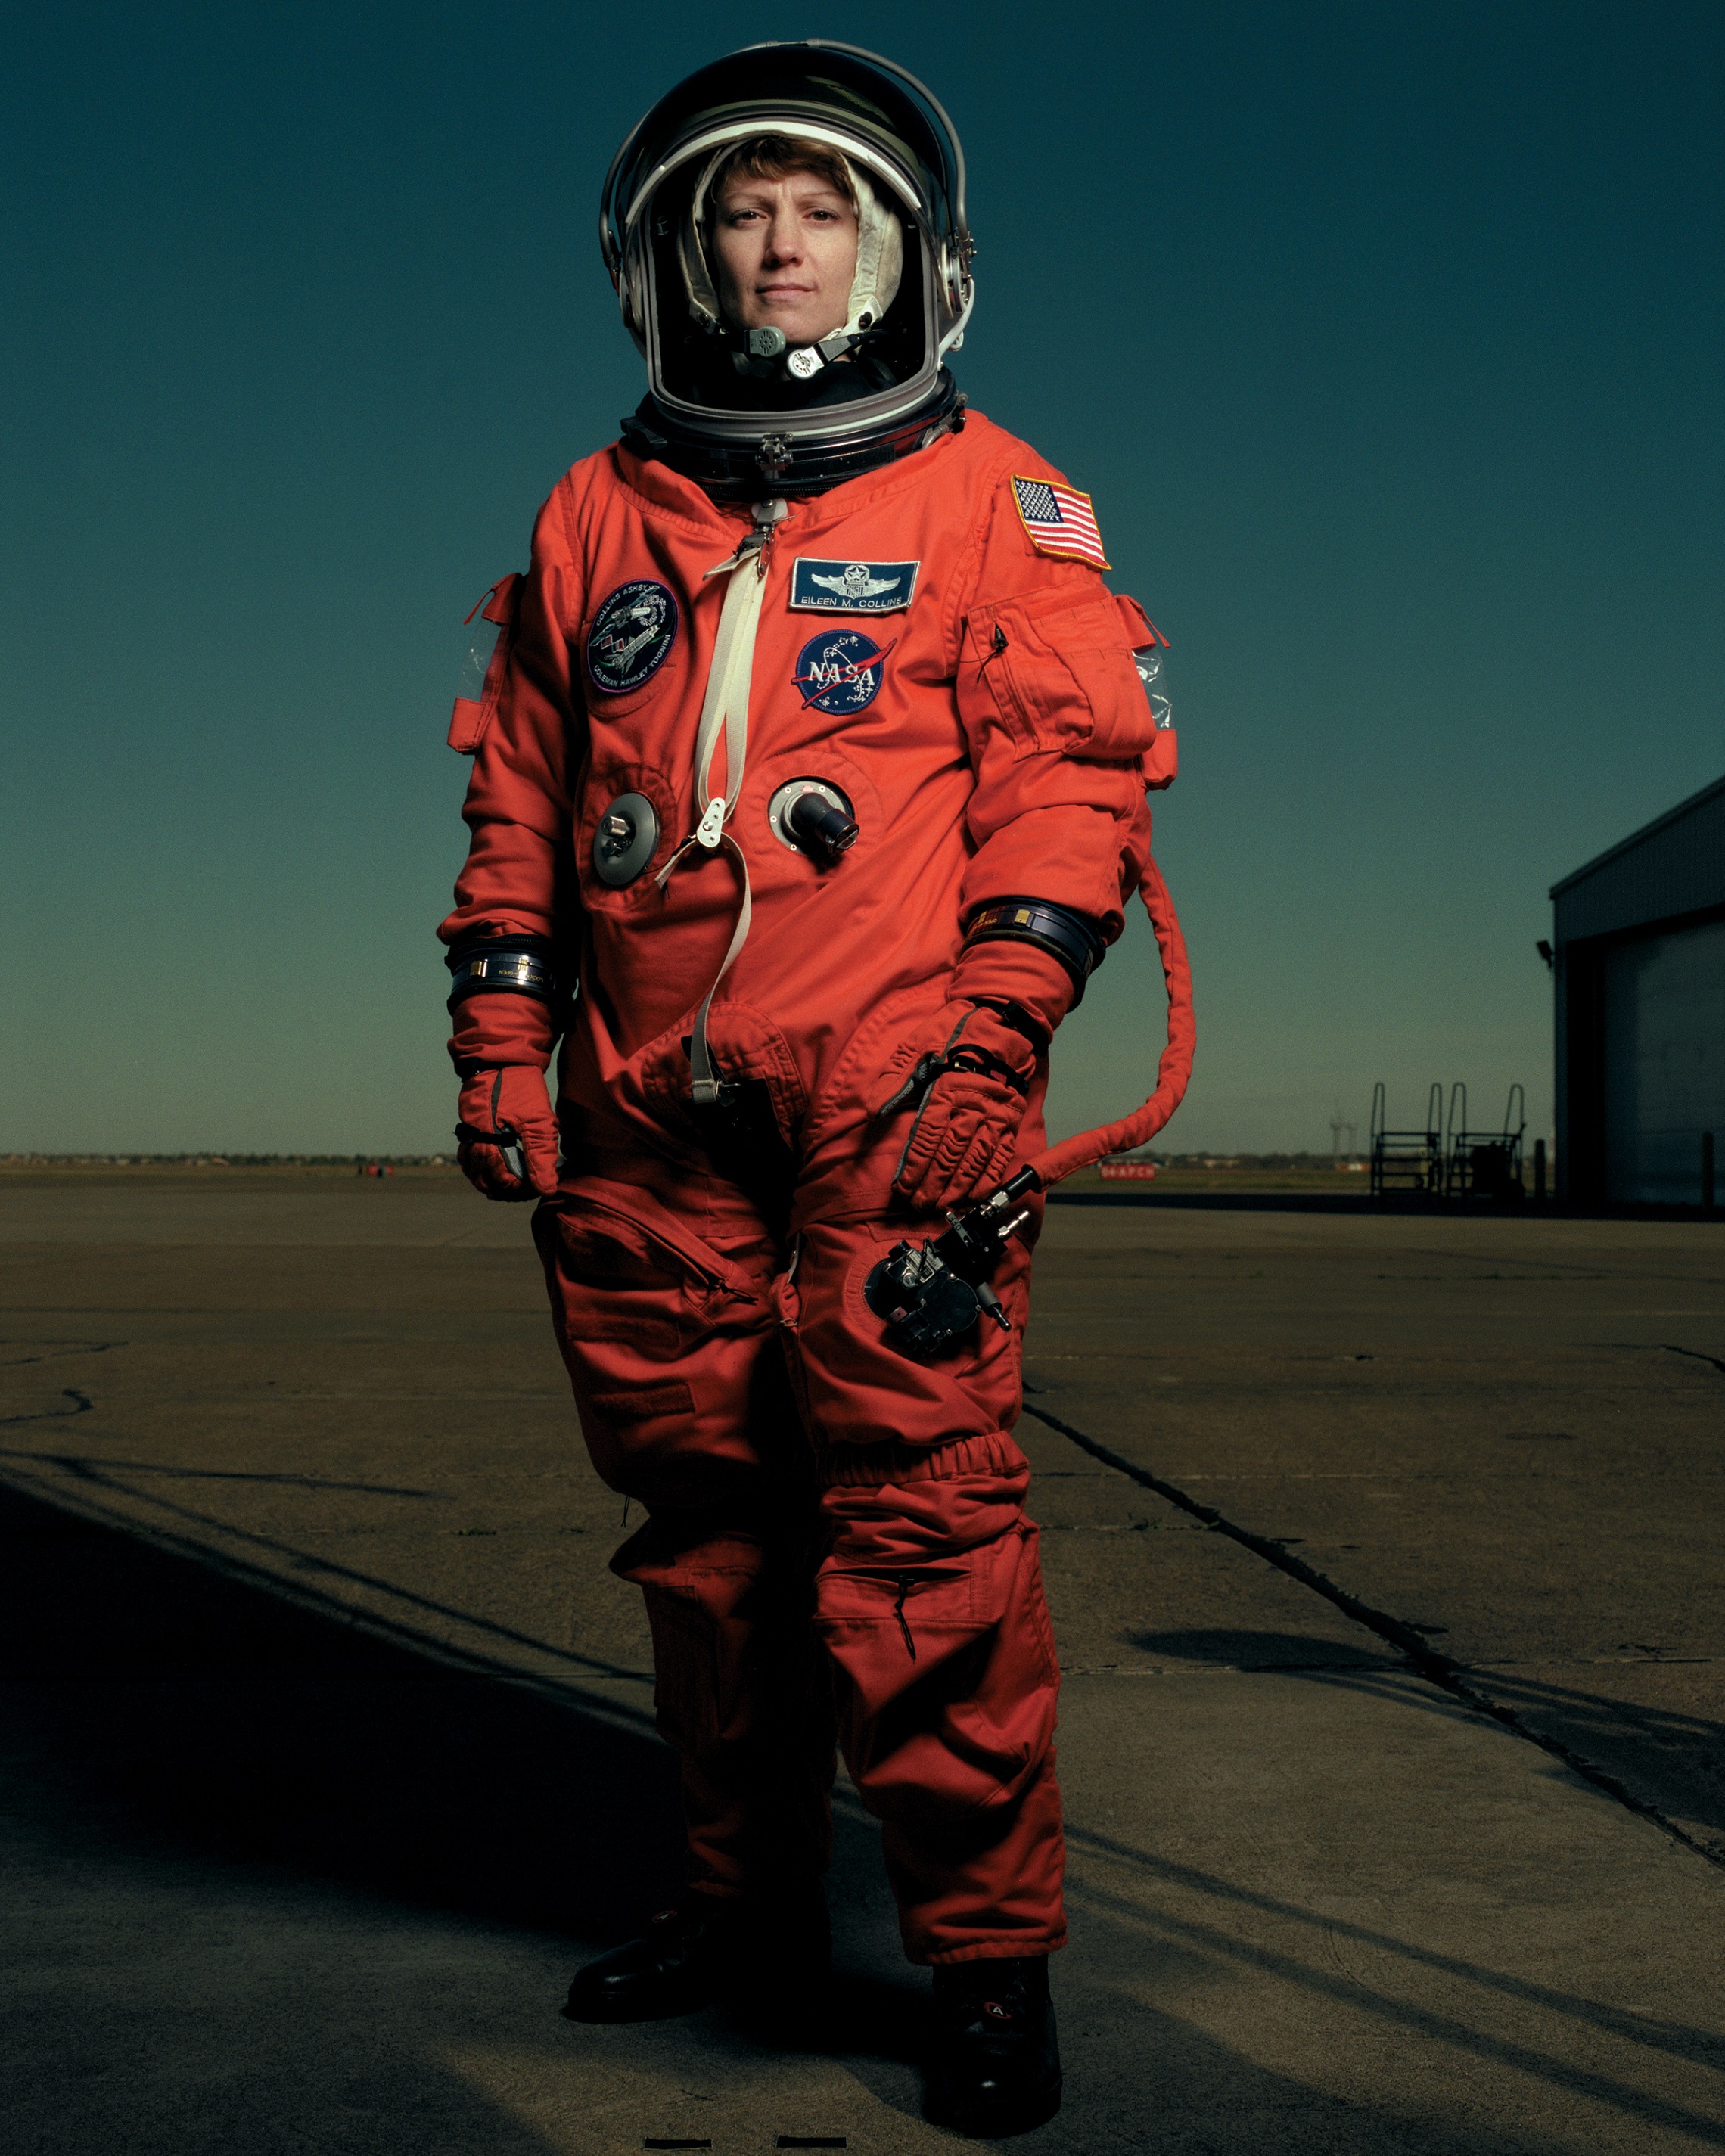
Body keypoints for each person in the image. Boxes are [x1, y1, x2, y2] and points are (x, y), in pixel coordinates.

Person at [438, 41, 1177, 2139]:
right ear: (678, 252)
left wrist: (999, 1032)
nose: (778, 245)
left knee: (926, 1530)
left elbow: (1066, 778)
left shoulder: (991, 498)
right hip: (648, 1093)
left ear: (903, 250)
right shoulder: (600, 510)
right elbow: (522, 791)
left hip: (894, 1086)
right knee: (709, 1534)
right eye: (742, 211)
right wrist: (502, 1037)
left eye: (820, 208)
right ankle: (740, 1904)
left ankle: (984, 1966)